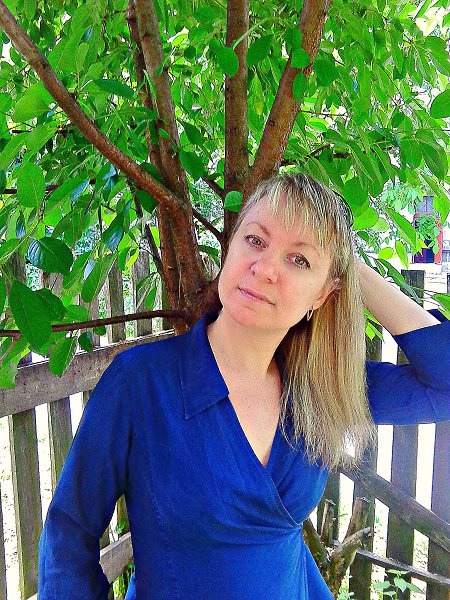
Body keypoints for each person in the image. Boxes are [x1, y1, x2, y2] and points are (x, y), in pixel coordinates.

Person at [38, 173, 450, 599]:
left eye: (299, 260)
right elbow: (68, 537)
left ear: (323, 295)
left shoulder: (321, 388)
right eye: (255, 240)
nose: (265, 269)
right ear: (231, 246)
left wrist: (348, 264)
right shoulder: (140, 383)